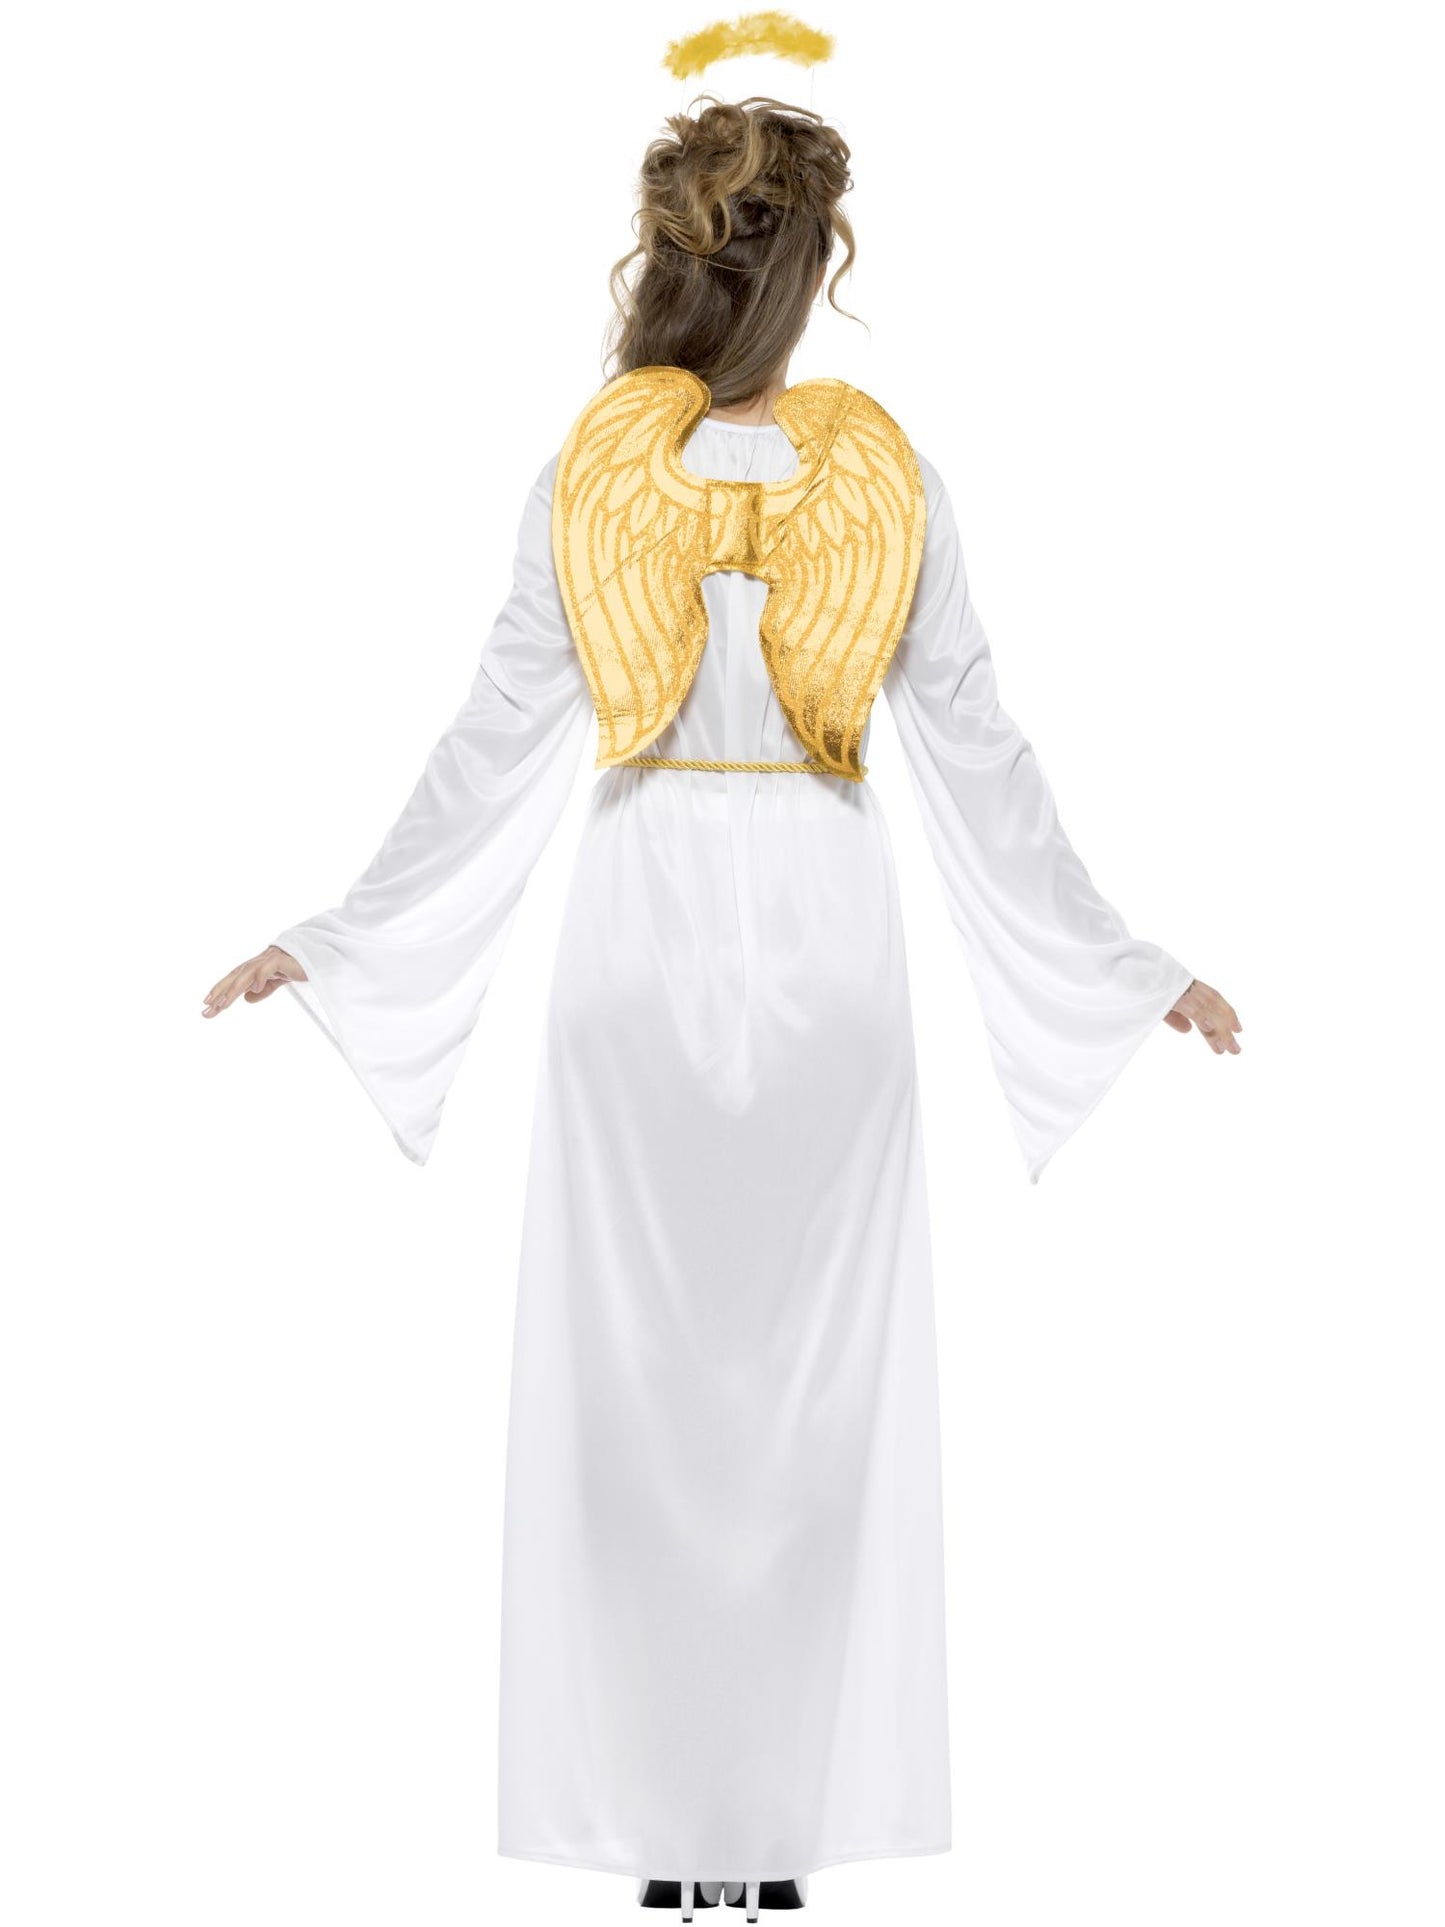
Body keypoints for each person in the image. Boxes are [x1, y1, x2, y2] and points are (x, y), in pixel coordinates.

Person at [203, 95, 1240, 1923]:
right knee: (812, 1417)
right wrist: (1114, 959)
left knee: (637, 1405)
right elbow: (975, 740)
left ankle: (678, 1839)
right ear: (814, 264)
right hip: (827, 931)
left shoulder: (597, 467)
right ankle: (763, 1841)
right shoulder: (885, 477)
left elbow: (496, 733)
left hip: (642, 925)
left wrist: (348, 934)